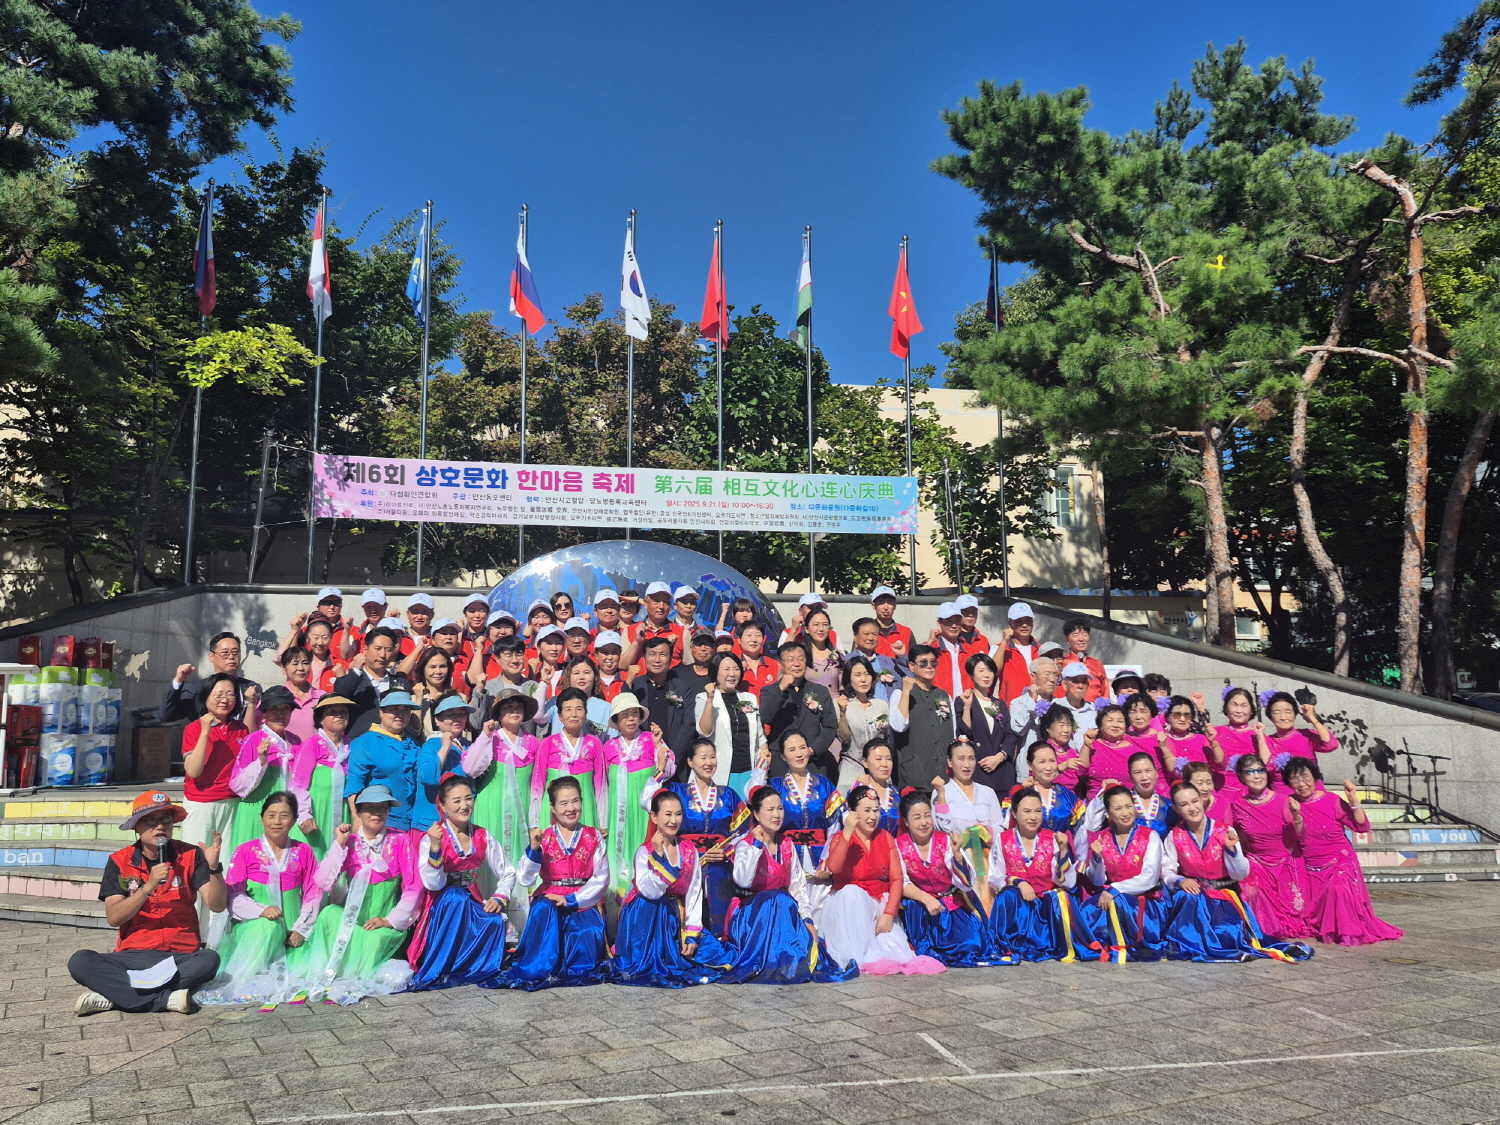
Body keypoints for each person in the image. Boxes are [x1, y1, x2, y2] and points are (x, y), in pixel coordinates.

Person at [69, 791, 227, 1017]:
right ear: (136, 827)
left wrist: (214, 869)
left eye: (166, 819)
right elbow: (114, 918)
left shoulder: (191, 854)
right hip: (132, 955)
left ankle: (115, 997)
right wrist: (148, 886)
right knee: (81, 960)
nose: (160, 826)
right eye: (151, 820)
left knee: (210, 959)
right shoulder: (119, 861)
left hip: (179, 955)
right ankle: (164, 999)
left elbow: (217, 905)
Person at [717, 786, 856, 985]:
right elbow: (743, 880)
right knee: (778, 898)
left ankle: (786, 960)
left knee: (784, 900)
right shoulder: (745, 844)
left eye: (780, 808)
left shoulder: (786, 843)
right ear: (756, 814)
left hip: (781, 912)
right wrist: (757, 845)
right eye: (770, 809)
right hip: (751, 917)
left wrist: (807, 919)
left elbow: (797, 886)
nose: (776, 815)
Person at [1161, 782, 1312, 963]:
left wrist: (1232, 851)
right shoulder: (1174, 836)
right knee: (1185, 897)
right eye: (1184, 805)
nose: (1192, 808)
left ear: (1202, 800)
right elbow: (1166, 870)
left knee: (1227, 936)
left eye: (1195, 801)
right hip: (1195, 900)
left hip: (1224, 899)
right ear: (1177, 809)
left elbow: (1240, 874)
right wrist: (1179, 881)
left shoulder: (1225, 831)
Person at [196, 791, 322, 1007]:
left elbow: (314, 892)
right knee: (267, 928)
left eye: (284, 815)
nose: (277, 821)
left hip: (292, 929)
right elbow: (233, 894)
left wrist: (301, 929)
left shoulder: (304, 851)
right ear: (262, 818)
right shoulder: (245, 851)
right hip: (253, 927)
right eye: (271, 815)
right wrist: (260, 911)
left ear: (293, 820)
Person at [303, 785, 422, 1005]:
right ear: (358, 812)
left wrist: (388, 921)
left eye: (382, 808)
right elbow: (322, 881)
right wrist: (339, 844)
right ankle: (340, 970)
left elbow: (414, 886)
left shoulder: (400, 841)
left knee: (375, 942)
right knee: (329, 913)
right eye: (369, 808)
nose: (376, 813)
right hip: (353, 920)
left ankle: (353, 970)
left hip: (383, 923)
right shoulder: (349, 843)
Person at [492, 776, 612, 990]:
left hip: (582, 896)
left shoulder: (593, 836)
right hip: (550, 894)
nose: (571, 808)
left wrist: (572, 900)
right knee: (544, 910)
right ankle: (540, 967)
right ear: (553, 808)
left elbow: (601, 878)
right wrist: (534, 849)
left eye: (575, 801)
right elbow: (525, 878)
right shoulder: (544, 837)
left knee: (588, 929)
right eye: (564, 803)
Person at [610, 789, 736, 987]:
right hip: (647, 914)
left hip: (677, 915)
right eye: (667, 814)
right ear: (654, 816)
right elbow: (651, 892)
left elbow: (694, 892)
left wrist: (693, 933)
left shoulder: (688, 849)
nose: (673, 820)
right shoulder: (645, 852)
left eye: (678, 814)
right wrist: (659, 858)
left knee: (710, 953)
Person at [407, 775, 519, 990]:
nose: (464, 805)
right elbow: (434, 884)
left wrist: (499, 897)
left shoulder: (482, 835)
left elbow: (508, 872)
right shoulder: (432, 837)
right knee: (456, 896)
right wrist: (436, 848)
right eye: (456, 800)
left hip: (472, 900)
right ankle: (445, 964)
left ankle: (472, 968)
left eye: (468, 798)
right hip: (442, 905)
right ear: (442, 804)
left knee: (494, 921)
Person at [820, 786, 943, 975]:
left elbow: (896, 879)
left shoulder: (885, 838)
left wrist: (888, 913)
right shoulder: (841, 837)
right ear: (853, 813)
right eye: (867, 810)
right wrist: (847, 833)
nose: (872, 816)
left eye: (876, 810)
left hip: (878, 903)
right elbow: (834, 868)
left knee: (895, 954)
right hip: (849, 907)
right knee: (852, 892)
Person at [1285, 758, 1404, 946]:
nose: (1301, 783)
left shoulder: (1331, 800)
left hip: (1339, 860)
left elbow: (1361, 826)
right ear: (1288, 782)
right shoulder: (1290, 804)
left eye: (1305, 777)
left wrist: (1353, 800)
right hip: (1312, 864)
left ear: (1314, 777)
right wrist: (1296, 814)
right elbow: (1297, 836)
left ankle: (1348, 930)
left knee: (1338, 888)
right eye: (1295, 779)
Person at [640, 738, 745, 937]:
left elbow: (744, 831)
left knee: (719, 916)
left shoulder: (729, 795)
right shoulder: (677, 791)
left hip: (719, 865)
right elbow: (648, 801)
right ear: (690, 762)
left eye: (712, 757)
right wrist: (661, 770)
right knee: (686, 911)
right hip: (686, 862)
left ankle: (719, 948)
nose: (709, 762)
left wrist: (726, 852)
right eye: (703, 757)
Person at [751, 730, 844, 926]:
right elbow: (753, 797)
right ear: (783, 756)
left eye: (802, 748)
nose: (799, 754)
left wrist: (829, 859)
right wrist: (761, 766)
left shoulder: (824, 785)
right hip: (788, 855)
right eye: (792, 750)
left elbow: (835, 825)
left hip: (820, 858)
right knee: (794, 910)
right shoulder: (776, 785)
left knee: (821, 913)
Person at [895, 790, 994, 968]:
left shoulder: (946, 841)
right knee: (924, 949)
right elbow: (901, 881)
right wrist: (926, 898)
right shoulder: (899, 845)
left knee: (972, 945)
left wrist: (957, 856)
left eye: (927, 815)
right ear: (906, 822)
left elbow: (965, 884)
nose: (924, 822)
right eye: (916, 817)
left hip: (953, 903)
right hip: (921, 908)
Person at [180, 674, 247, 923]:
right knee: (197, 867)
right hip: (201, 804)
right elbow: (194, 771)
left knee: (226, 867)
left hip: (232, 804)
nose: (225, 700)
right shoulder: (194, 728)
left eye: (230, 694)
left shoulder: (241, 729)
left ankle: (219, 934)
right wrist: (206, 732)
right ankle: (193, 930)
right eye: (218, 694)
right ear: (206, 697)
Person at [462, 686, 542, 894]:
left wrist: (535, 820)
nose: (514, 711)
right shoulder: (490, 738)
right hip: (491, 809)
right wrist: (485, 737)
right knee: (490, 859)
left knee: (520, 858)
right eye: (508, 707)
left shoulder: (533, 742)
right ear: (497, 713)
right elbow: (470, 769)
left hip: (522, 812)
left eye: (518, 707)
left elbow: (537, 784)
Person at [987, 787, 1080, 962]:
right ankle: (1010, 942)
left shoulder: (1052, 838)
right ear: (1014, 813)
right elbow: (995, 877)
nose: (1033, 817)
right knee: (1008, 894)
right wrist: (1018, 882)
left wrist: (1063, 852)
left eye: (1038, 811)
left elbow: (1068, 883)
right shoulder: (1003, 839)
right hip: (1018, 906)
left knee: (1061, 897)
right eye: (1027, 811)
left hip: (1044, 905)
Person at [1076, 785, 1167, 963]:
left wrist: (1116, 888)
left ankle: (1127, 944)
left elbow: (1150, 877)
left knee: (1120, 901)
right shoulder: (1103, 837)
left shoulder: (1150, 836)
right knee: (1085, 911)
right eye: (1118, 808)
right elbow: (1097, 879)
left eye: (1128, 806)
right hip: (1110, 894)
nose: (1125, 813)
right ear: (1109, 812)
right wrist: (1096, 858)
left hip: (1145, 900)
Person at [1228, 756, 1313, 941]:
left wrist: (1297, 815)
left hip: (1287, 862)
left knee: (1294, 919)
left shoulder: (1284, 801)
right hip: (1257, 863)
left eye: (1260, 770)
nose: (1257, 776)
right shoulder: (1238, 805)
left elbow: (1300, 835)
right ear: (1241, 777)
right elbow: (1238, 837)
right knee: (1249, 891)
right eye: (1250, 772)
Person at [603, 692, 671, 901]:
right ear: (616, 721)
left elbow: (668, 770)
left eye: (635, 714)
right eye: (625, 715)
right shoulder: (608, 747)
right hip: (619, 815)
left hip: (644, 814)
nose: (631, 719)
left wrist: (660, 745)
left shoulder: (651, 741)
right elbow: (603, 784)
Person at [226, 685, 303, 859]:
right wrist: (260, 761)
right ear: (264, 714)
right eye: (274, 709)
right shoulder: (253, 740)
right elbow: (238, 786)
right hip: (256, 810)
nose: (280, 714)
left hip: (287, 812)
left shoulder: (296, 741)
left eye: (285, 709)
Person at [932, 741, 1004, 915]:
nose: (966, 764)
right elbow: (943, 828)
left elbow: (1001, 827)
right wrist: (941, 795)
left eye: (971, 758)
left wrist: (985, 831)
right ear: (950, 762)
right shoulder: (942, 792)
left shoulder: (987, 792)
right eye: (961, 758)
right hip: (960, 862)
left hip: (990, 863)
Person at [342, 691, 421, 833]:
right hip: (378, 821)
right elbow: (355, 783)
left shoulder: (413, 744)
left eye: (405, 710)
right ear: (381, 712)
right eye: (394, 709)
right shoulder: (366, 742)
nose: (400, 714)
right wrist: (357, 818)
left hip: (411, 823)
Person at [759, 641, 839, 780]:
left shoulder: (820, 691)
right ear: (780, 663)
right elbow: (765, 717)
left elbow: (830, 725)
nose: (796, 664)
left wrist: (813, 750)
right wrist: (781, 689)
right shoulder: (769, 691)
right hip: (780, 761)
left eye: (801, 659)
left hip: (813, 761)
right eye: (790, 659)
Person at [535, 687, 607, 828]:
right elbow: (538, 785)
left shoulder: (595, 743)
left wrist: (603, 821)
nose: (574, 714)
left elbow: (601, 785)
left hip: (585, 810)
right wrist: (534, 823)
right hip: (552, 813)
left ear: (586, 714)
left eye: (579, 709)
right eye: (568, 709)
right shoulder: (546, 744)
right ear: (560, 716)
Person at [694, 653, 764, 796]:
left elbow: (760, 736)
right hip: (722, 772)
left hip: (750, 771)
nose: (732, 674)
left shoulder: (749, 698)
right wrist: (710, 699)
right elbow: (704, 731)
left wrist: (763, 766)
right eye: (726, 669)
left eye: (736, 669)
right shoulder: (703, 698)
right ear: (715, 672)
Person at [297, 693, 356, 859]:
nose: (339, 715)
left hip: (344, 812)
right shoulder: (312, 744)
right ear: (320, 719)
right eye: (333, 711)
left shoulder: (352, 744)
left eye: (344, 711)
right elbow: (297, 785)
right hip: (317, 812)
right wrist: (303, 815)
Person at [889, 645, 954, 789]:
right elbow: (899, 726)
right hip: (916, 775)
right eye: (923, 663)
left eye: (933, 663)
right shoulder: (900, 694)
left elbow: (953, 731)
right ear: (912, 666)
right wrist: (906, 692)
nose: (929, 667)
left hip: (945, 776)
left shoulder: (944, 696)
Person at [160, 632, 261, 723]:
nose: (231, 657)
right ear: (211, 657)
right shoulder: (196, 689)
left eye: (235, 653)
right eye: (225, 653)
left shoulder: (252, 688)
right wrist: (178, 681)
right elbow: (167, 715)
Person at [958, 653, 1015, 798]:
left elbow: (1010, 735)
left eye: (990, 670)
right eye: (981, 670)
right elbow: (965, 733)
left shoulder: (999, 704)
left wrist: (1000, 757)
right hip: (979, 771)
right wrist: (967, 707)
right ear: (971, 675)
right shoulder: (963, 700)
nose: (987, 675)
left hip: (1002, 773)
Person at [331, 627, 407, 736]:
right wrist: (356, 671)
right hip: (359, 744)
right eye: (378, 648)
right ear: (365, 650)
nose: (382, 655)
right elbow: (340, 696)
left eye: (388, 649)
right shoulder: (353, 680)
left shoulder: (401, 683)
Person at [631, 635, 694, 760]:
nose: (657, 660)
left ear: (671, 659)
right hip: (640, 759)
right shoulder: (635, 687)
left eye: (663, 654)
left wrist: (674, 757)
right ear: (644, 658)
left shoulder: (681, 688)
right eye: (652, 654)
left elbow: (689, 724)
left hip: (674, 758)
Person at [835, 656, 891, 794]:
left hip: (879, 770)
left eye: (867, 674)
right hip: (852, 769)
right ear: (849, 678)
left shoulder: (881, 705)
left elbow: (887, 739)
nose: (863, 679)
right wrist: (842, 713)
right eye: (857, 675)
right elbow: (845, 739)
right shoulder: (841, 704)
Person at [1007, 741, 1086, 836]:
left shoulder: (1068, 796)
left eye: (1052, 761)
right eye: (1042, 762)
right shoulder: (1020, 793)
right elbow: (1007, 824)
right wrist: (1019, 790)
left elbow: (1082, 832)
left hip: (1062, 849)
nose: (1048, 767)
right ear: (1030, 765)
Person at [1263, 693, 1339, 789]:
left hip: (1312, 793)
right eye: (1277, 712)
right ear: (1270, 717)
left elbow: (1331, 744)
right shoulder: (1266, 742)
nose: (1283, 717)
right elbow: (1266, 767)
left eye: (1288, 712)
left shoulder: (1305, 735)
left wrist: (1312, 718)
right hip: (1284, 798)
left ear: (1295, 714)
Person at [1158, 695, 1222, 782]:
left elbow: (1219, 763)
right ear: (1167, 717)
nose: (1182, 719)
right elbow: (1173, 772)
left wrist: (1213, 741)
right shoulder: (1162, 739)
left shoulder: (1201, 739)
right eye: (1177, 714)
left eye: (1187, 715)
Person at [1214, 687, 1262, 799]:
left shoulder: (1257, 734)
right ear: (1226, 708)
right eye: (1234, 705)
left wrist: (1261, 739)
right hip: (1218, 791)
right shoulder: (1215, 733)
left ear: (1251, 710)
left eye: (1244, 705)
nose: (1238, 710)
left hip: (1250, 793)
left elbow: (1266, 765)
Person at [929, 602, 982, 697]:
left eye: (957, 621)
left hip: (966, 704)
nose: (954, 626)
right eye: (948, 621)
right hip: (940, 704)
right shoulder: (931, 649)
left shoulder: (970, 650)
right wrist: (929, 643)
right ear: (939, 623)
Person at [845, 617, 902, 701]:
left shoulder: (887, 661)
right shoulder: (846, 661)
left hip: (885, 711)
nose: (871, 638)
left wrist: (901, 657)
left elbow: (905, 680)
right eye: (866, 634)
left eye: (874, 634)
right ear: (855, 636)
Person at [852, 739, 901, 835]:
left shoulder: (898, 794)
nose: (885, 764)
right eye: (879, 759)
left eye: (888, 759)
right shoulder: (857, 793)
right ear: (865, 762)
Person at [995, 602, 1041, 703]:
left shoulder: (1041, 649)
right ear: (1010, 624)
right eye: (1019, 621)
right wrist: (1004, 642)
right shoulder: (1000, 648)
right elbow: (993, 671)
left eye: (1028, 621)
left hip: (1040, 707)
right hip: (1011, 708)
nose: (1024, 625)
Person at [278, 646, 325, 743]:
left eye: (305, 663)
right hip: (285, 756)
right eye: (295, 664)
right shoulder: (276, 698)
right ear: (283, 668)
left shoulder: (322, 697)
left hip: (316, 755)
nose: (301, 668)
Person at [1054, 619, 1106, 702]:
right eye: (1075, 635)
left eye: (1084, 634)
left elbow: (1105, 694)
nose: (1081, 639)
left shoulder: (1097, 664)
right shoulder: (1062, 663)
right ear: (1067, 639)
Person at [800, 609, 844, 701]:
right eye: (816, 625)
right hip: (809, 708)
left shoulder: (838, 656)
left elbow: (845, 688)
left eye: (825, 625)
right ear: (806, 629)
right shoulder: (800, 656)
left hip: (835, 707)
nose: (821, 629)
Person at [869, 585, 914, 663]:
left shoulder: (906, 632)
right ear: (873, 606)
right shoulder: (866, 631)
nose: (886, 607)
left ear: (895, 605)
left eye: (890, 603)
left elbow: (915, 660)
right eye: (881, 602)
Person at [736, 621, 781, 698]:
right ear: (739, 640)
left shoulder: (774, 665)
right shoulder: (734, 665)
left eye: (758, 635)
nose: (754, 640)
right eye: (749, 635)